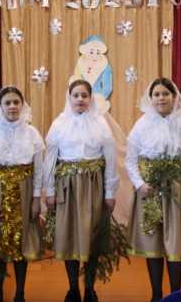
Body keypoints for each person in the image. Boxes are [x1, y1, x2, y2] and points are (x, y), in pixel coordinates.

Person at [126, 78, 181, 302]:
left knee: (175, 242)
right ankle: (156, 295)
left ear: (173, 96)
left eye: (165, 94)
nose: (161, 98)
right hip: (149, 189)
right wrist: (140, 184)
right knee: (154, 242)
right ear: (151, 98)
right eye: (156, 94)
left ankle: (176, 295)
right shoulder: (142, 124)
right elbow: (131, 160)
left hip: (176, 190)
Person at [44, 80, 118, 302]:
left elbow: (110, 159)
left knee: (92, 236)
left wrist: (110, 192)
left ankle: (90, 288)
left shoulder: (100, 123)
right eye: (76, 95)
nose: (80, 99)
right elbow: (50, 159)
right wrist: (49, 190)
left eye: (84, 95)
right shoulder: (59, 124)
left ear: (90, 98)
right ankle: (73, 288)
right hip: (67, 186)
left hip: (93, 186)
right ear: (69, 97)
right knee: (70, 236)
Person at [0, 86, 44, 302]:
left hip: (24, 191)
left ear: (22, 105)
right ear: (0, 106)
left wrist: (36, 198)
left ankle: (20, 293)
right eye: (8, 103)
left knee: (21, 242)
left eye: (16, 102)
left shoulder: (32, 133)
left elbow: (39, 169)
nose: (12, 106)